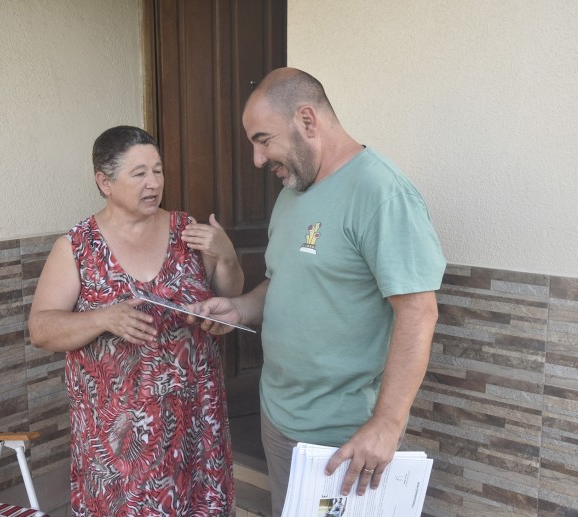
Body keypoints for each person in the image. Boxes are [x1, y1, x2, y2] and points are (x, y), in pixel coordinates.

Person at [186, 68, 446, 516]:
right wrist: (240, 308)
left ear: (307, 120)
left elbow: (418, 313)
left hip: (344, 434)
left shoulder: (381, 193)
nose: (257, 158)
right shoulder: (293, 193)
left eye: (263, 139)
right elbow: (283, 280)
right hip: (279, 416)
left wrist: (386, 424)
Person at [28, 125, 243, 516]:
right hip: (118, 444)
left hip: (195, 425)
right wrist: (103, 318)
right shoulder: (77, 247)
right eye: (139, 173)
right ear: (104, 182)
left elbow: (228, 294)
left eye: (158, 170)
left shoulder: (186, 231)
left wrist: (226, 255)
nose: (153, 183)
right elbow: (41, 329)